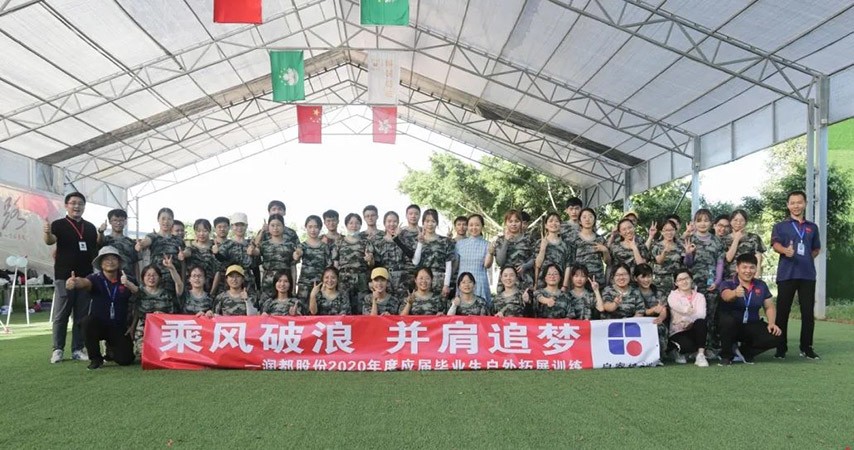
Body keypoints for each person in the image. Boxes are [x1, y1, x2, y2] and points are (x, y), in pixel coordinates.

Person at [44, 192, 98, 363]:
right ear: (66, 205)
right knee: (61, 315)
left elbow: (94, 250)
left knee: (81, 316)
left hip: (86, 277)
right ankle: (58, 349)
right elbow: (50, 241)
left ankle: (77, 349)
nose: (77, 206)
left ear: (84, 206)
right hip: (64, 276)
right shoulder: (58, 224)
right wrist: (47, 233)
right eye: (73, 203)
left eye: (80, 203)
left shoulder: (90, 227)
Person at [66, 246, 137, 370]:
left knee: (126, 360)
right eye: (106, 259)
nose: (110, 262)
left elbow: (139, 299)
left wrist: (133, 325)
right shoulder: (94, 278)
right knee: (86, 322)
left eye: (113, 258)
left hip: (119, 326)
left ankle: (111, 350)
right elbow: (84, 282)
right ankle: (95, 359)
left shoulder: (128, 279)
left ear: (119, 262)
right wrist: (75, 282)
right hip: (98, 325)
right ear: (100, 263)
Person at [771, 190, 821, 359]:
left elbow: (816, 249)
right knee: (782, 312)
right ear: (788, 205)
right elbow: (775, 244)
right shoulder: (780, 226)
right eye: (792, 203)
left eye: (799, 202)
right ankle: (780, 348)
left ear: (805, 204)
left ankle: (806, 347)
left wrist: (805, 258)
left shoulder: (812, 227)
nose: (796, 206)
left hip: (807, 275)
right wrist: (786, 251)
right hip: (786, 274)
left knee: (807, 313)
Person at [718, 253, 783, 365]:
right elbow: (725, 296)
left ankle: (745, 352)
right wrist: (734, 293)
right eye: (744, 267)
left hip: (751, 325)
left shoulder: (761, 285)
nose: (748, 271)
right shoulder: (728, 283)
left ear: (756, 269)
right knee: (727, 321)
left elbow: (769, 306)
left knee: (777, 336)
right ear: (737, 268)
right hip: (731, 326)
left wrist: (772, 323)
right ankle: (726, 355)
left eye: (752, 267)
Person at [684, 208, 725, 358]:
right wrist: (689, 254)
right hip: (693, 286)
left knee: (710, 316)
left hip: (711, 285)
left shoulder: (717, 241)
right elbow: (687, 264)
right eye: (699, 221)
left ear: (711, 223)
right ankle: (693, 348)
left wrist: (717, 281)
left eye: (706, 220)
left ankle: (709, 347)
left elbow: (720, 262)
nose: (702, 224)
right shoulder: (690, 239)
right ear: (694, 223)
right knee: (693, 316)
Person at [132, 257, 183, 354]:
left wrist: (171, 268)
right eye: (148, 275)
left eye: (154, 275)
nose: (151, 278)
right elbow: (135, 313)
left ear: (159, 278)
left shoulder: (167, 294)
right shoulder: (139, 293)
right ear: (143, 278)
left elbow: (179, 284)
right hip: (144, 331)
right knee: (146, 353)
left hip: (165, 331)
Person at [134, 207, 185, 295]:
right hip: (156, 281)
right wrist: (141, 244)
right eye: (163, 218)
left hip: (174, 281)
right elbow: (147, 241)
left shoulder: (178, 240)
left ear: (172, 221)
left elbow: (183, 261)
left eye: (169, 219)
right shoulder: (153, 236)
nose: (166, 221)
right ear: (158, 220)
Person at [250, 213, 299, 299]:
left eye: (278, 225)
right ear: (268, 227)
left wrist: (294, 287)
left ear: (283, 227)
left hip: (284, 283)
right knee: (266, 306)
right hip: (268, 283)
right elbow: (251, 251)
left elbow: (293, 267)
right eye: (272, 225)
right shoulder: (264, 245)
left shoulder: (290, 245)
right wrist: (262, 232)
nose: (275, 228)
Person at [334, 213, 375, 314]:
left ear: (360, 225)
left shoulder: (366, 242)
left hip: (361, 279)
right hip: (344, 280)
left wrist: (370, 260)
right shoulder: (339, 242)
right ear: (346, 225)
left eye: (357, 223)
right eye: (351, 223)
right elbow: (335, 263)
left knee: (361, 309)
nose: (354, 226)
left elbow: (371, 265)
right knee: (345, 309)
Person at [667, 268, 708, 367]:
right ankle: (675, 351)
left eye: (686, 278)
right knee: (687, 346)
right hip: (678, 331)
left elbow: (701, 315)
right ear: (676, 283)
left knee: (701, 322)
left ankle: (700, 355)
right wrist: (687, 311)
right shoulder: (673, 296)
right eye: (680, 280)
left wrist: (688, 320)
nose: (684, 282)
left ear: (691, 279)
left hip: (693, 328)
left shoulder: (700, 296)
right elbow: (679, 308)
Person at [486, 210, 534, 292]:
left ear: (521, 222)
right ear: (506, 223)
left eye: (516, 221)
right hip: (506, 282)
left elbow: (534, 258)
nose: (513, 224)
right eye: (510, 221)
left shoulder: (529, 239)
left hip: (524, 280)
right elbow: (500, 262)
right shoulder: (500, 240)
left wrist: (525, 266)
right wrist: (506, 241)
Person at [412, 209, 454, 298]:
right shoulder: (416, 240)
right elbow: (415, 262)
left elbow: (448, 265)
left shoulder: (445, 241)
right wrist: (420, 243)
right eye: (427, 221)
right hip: (423, 282)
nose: (430, 224)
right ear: (423, 223)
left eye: (433, 221)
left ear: (437, 223)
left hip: (439, 281)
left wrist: (446, 285)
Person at [293, 215, 332, 308]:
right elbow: (295, 257)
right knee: (303, 310)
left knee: (320, 309)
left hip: (320, 284)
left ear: (320, 228)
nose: (313, 230)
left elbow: (328, 266)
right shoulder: (302, 246)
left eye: (316, 227)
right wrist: (297, 255)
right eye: (310, 227)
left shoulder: (325, 247)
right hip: (304, 285)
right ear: (306, 227)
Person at [212, 212, 255, 295]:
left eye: (242, 225)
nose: (239, 228)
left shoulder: (250, 245)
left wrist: (258, 287)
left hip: (248, 285)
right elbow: (222, 261)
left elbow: (255, 268)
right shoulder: (227, 244)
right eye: (236, 225)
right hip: (230, 285)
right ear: (232, 227)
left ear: (246, 226)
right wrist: (217, 254)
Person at [454, 214, 491, 305]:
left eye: (477, 225)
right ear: (467, 226)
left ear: (482, 227)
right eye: (471, 225)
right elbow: (455, 267)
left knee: (481, 310)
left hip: (480, 283)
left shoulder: (487, 244)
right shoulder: (459, 244)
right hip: (463, 284)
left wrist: (491, 252)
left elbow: (487, 265)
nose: (474, 228)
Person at [634, 263, 667, 361]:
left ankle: (659, 356)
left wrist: (661, 318)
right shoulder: (633, 292)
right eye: (643, 277)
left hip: (654, 321)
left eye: (649, 276)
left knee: (660, 328)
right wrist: (653, 310)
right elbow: (639, 310)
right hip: (638, 321)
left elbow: (664, 309)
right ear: (635, 278)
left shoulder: (658, 291)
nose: (646, 280)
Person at [373, 211, 410, 297]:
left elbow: (410, 258)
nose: (392, 224)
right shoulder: (379, 243)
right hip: (385, 279)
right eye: (389, 221)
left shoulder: (404, 240)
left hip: (402, 279)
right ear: (384, 223)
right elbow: (377, 265)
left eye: (395, 221)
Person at [534, 212, 574, 290]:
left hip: (560, 284)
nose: (554, 223)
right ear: (546, 225)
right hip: (543, 284)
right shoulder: (540, 243)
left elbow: (568, 266)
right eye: (551, 221)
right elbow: (537, 265)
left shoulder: (566, 245)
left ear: (560, 224)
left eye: (556, 221)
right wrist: (542, 249)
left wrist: (565, 286)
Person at [722, 209, 766, 279]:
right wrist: (736, 239)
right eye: (735, 220)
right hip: (729, 278)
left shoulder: (754, 238)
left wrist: (756, 277)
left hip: (749, 276)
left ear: (746, 222)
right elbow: (728, 258)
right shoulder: (724, 239)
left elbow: (758, 257)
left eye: (741, 220)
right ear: (730, 221)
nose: (738, 223)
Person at [97, 208, 139, 279]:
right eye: (115, 220)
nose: (118, 223)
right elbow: (99, 242)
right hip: (109, 279)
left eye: (121, 220)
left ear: (125, 222)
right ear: (110, 222)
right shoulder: (106, 239)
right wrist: (101, 232)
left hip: (128, 278)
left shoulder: (131, 242)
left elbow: (135, 263)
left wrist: (138, 281)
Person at [574, 208, 610, 286]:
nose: (587, 219)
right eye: (584, 217)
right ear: (580, 221)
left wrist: (605, 251)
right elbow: (569, 262)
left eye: (590, 216)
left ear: (594, 220)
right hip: (580, 282)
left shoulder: (600, 239)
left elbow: (608, 262)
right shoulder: (574, 238)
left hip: (598, 281)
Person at [184, 219, 221, 296]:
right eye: (198, 231)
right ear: (195, 232)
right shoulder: (190, 247)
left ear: (209, 231)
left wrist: (212, 293)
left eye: (205, 231)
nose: (201, 234)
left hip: (210, 288)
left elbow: (218, 271)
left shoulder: (215, 247)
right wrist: (184, 254)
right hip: (191, 290)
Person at [650, 219, 685, 292]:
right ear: (661, 232)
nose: (669, 233)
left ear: (675, 231)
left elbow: (684, 263)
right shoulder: (656, 246)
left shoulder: (680, 246)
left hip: (677, 283)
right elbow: (659, 261)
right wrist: (664, 252)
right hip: (660, 284)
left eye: (672, 230)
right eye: (666, 230)